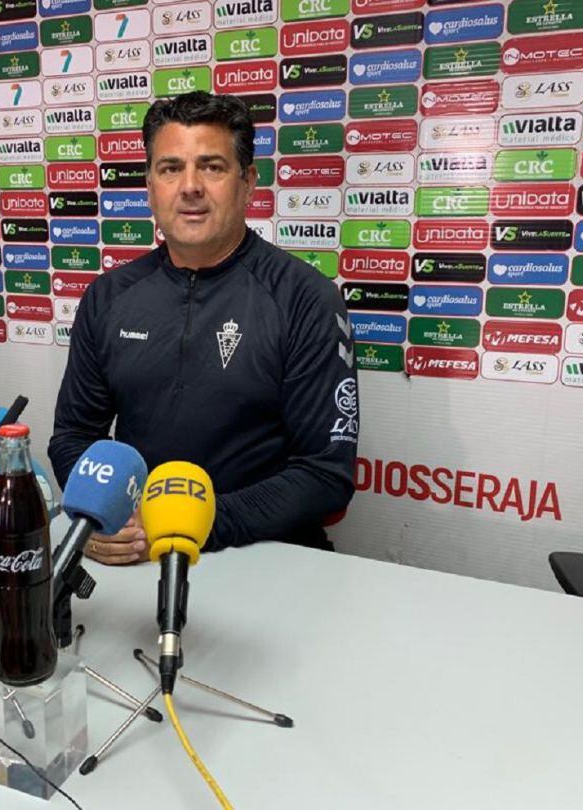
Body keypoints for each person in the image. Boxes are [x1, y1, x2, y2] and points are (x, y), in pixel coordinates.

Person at [47, 91, 358, 565]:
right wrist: (99, 518)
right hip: (136, 552)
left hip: (266, 559)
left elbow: (324, 475)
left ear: (248, 182)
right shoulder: (109, 297)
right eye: (170, 168)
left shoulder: (305, 298)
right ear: (150, 185)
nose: (190, 186)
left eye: (212, 167)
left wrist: (187, 526)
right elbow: (73, 437)